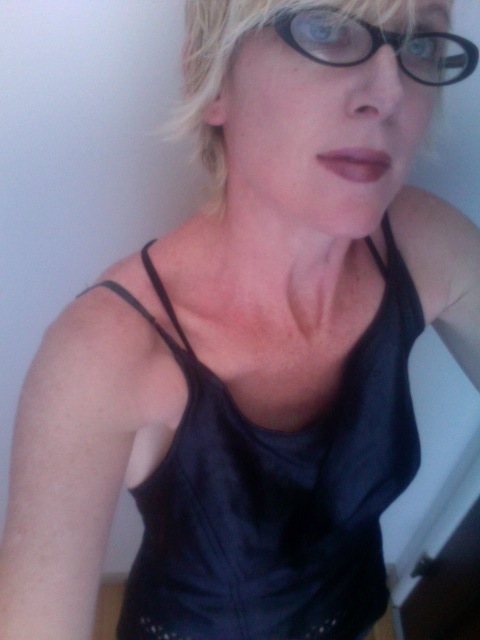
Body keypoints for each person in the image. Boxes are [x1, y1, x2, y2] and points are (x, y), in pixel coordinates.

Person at [1, 0, 479, 639]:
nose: (390, 94)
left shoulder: (425, 243)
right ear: (213, 79)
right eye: (327, 29)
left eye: (420, 43)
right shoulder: (102, 356)